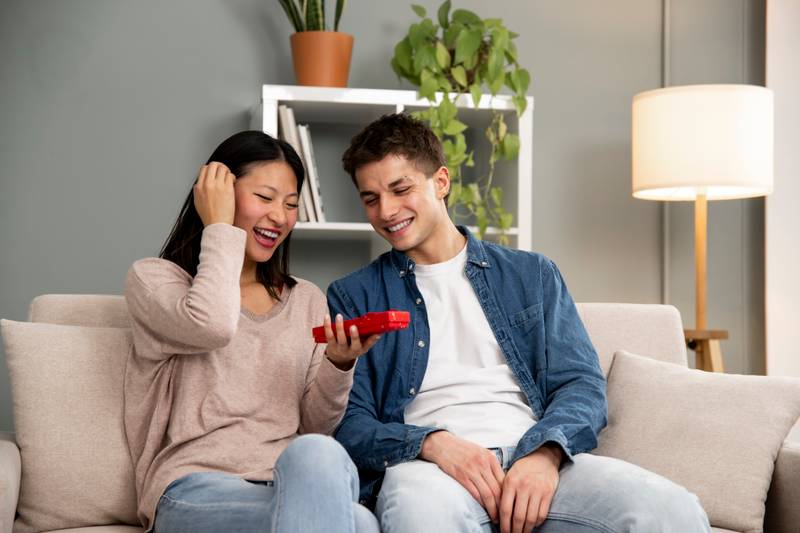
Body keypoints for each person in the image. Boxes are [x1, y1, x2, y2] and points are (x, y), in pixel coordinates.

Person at [327, 114, 711, 533]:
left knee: (673, 509)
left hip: (532, 456)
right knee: (419, 517)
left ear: (440, 181)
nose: (386, 210)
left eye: (401, 189)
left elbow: (581, 384)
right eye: (371, 198)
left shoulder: (532, 275)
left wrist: (544, 454)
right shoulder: (354, 296)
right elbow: (351, 423)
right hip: (428, 471)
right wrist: (433, 443)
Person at [123, 131, 380, 533]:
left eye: (291, 204)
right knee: (357, 524)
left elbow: (315, 427)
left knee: (319, 455)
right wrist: (220, 227)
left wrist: (338, 362)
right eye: (264, 198)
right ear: (216, 194)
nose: (280, 216)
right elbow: (213, 325)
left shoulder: (306, 299)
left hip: (284, 482)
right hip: (192, 490)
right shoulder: (157, 282)